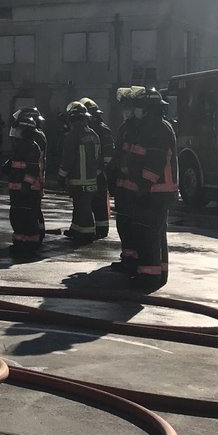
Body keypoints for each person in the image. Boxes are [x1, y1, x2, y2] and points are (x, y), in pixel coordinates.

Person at [119, 88, 178, 287]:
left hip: (155, 191)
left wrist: (144, 186)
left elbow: (155, 161)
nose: (135, 110)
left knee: (148, 233)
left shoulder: (157, 128)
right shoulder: (151, 126)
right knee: (155, 233)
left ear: (147, 109)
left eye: (139, 107)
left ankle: (150, 275)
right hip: (155, 191)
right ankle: (158, 271)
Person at [108, 87, 144, 274]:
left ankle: (135, 259)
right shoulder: (125, 127)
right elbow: (118, 153)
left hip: (134, 189)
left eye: (127, 106)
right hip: (123, 187)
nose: (125, 110)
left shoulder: (140, 128)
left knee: (133, 225)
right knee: (123, 224)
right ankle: (128, 258)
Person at [58, 101, 102, 244]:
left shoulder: (73, 135)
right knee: (81, 205)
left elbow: (68, 157)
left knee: (82, 207)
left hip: (78, 178)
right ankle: (76, 230)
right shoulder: (94, 134)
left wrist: (62, 175)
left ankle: (87, 233)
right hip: (92, 178)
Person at [3, 110, 46, 251]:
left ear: (26, 131)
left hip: (28, 190)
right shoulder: (21, 146)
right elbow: (17, 163)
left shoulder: (32, 147)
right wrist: (8, 166)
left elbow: (32, 169)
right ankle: (19, 240)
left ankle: (31, 242)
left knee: (28, 216)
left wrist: (26, 185)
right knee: (16, 215)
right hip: (16, 189)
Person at [79, 97, 113, 239]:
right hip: (97, 172)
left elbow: (108, 153)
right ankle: (101, 228)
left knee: (95, 201)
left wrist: (100, 170)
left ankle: (98, 229)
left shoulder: (98, 130)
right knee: (97, 201)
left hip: (98, 173)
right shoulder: (100, 128)